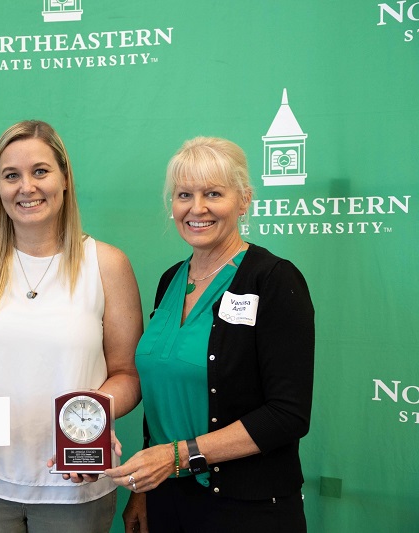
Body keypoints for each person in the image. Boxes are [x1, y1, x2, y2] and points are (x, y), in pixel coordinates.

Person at [0, 120, 143, 532]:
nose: (26, 187)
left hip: (76, 485)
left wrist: (91, 422)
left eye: (40, 171)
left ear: (64, 178)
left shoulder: (107, 264)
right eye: (11, 175)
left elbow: (127, 375)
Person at [105, 137, 315, 532]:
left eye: (213, 193)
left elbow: (287, 414)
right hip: (168, 498)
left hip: (247, 508)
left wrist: (178, 457)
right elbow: (165, 398)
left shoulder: (273, 280)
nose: (196, 208)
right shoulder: (171, 280)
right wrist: (145, 490)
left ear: (244, 200)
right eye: (184, 194)